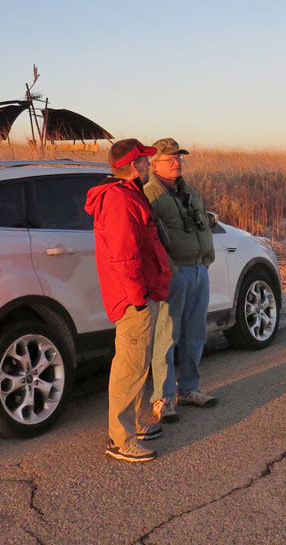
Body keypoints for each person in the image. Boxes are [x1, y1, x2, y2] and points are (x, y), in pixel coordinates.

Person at [84, 139, 171, 463]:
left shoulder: (127, 196)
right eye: (145, 161)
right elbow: (124, 257)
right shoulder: (120, 200)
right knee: (129, 367)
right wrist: (137, 300)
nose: (149, 165)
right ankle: (121, 440)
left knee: (136, 365)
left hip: (141, 294)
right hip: (134, 299)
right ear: (133, 166)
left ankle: (131, 425)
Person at [143, 138, 217, 423]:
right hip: (174, 274)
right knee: (166, 336)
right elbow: (151, 240)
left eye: (179, 157)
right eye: (170, 158)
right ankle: (163, 398)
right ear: (154, 164)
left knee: (195, 333)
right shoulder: (151, 195)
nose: (177, 162)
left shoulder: (189, 192)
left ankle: (189, 389)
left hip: (198, 270)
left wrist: (206, 260)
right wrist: (169, 270)